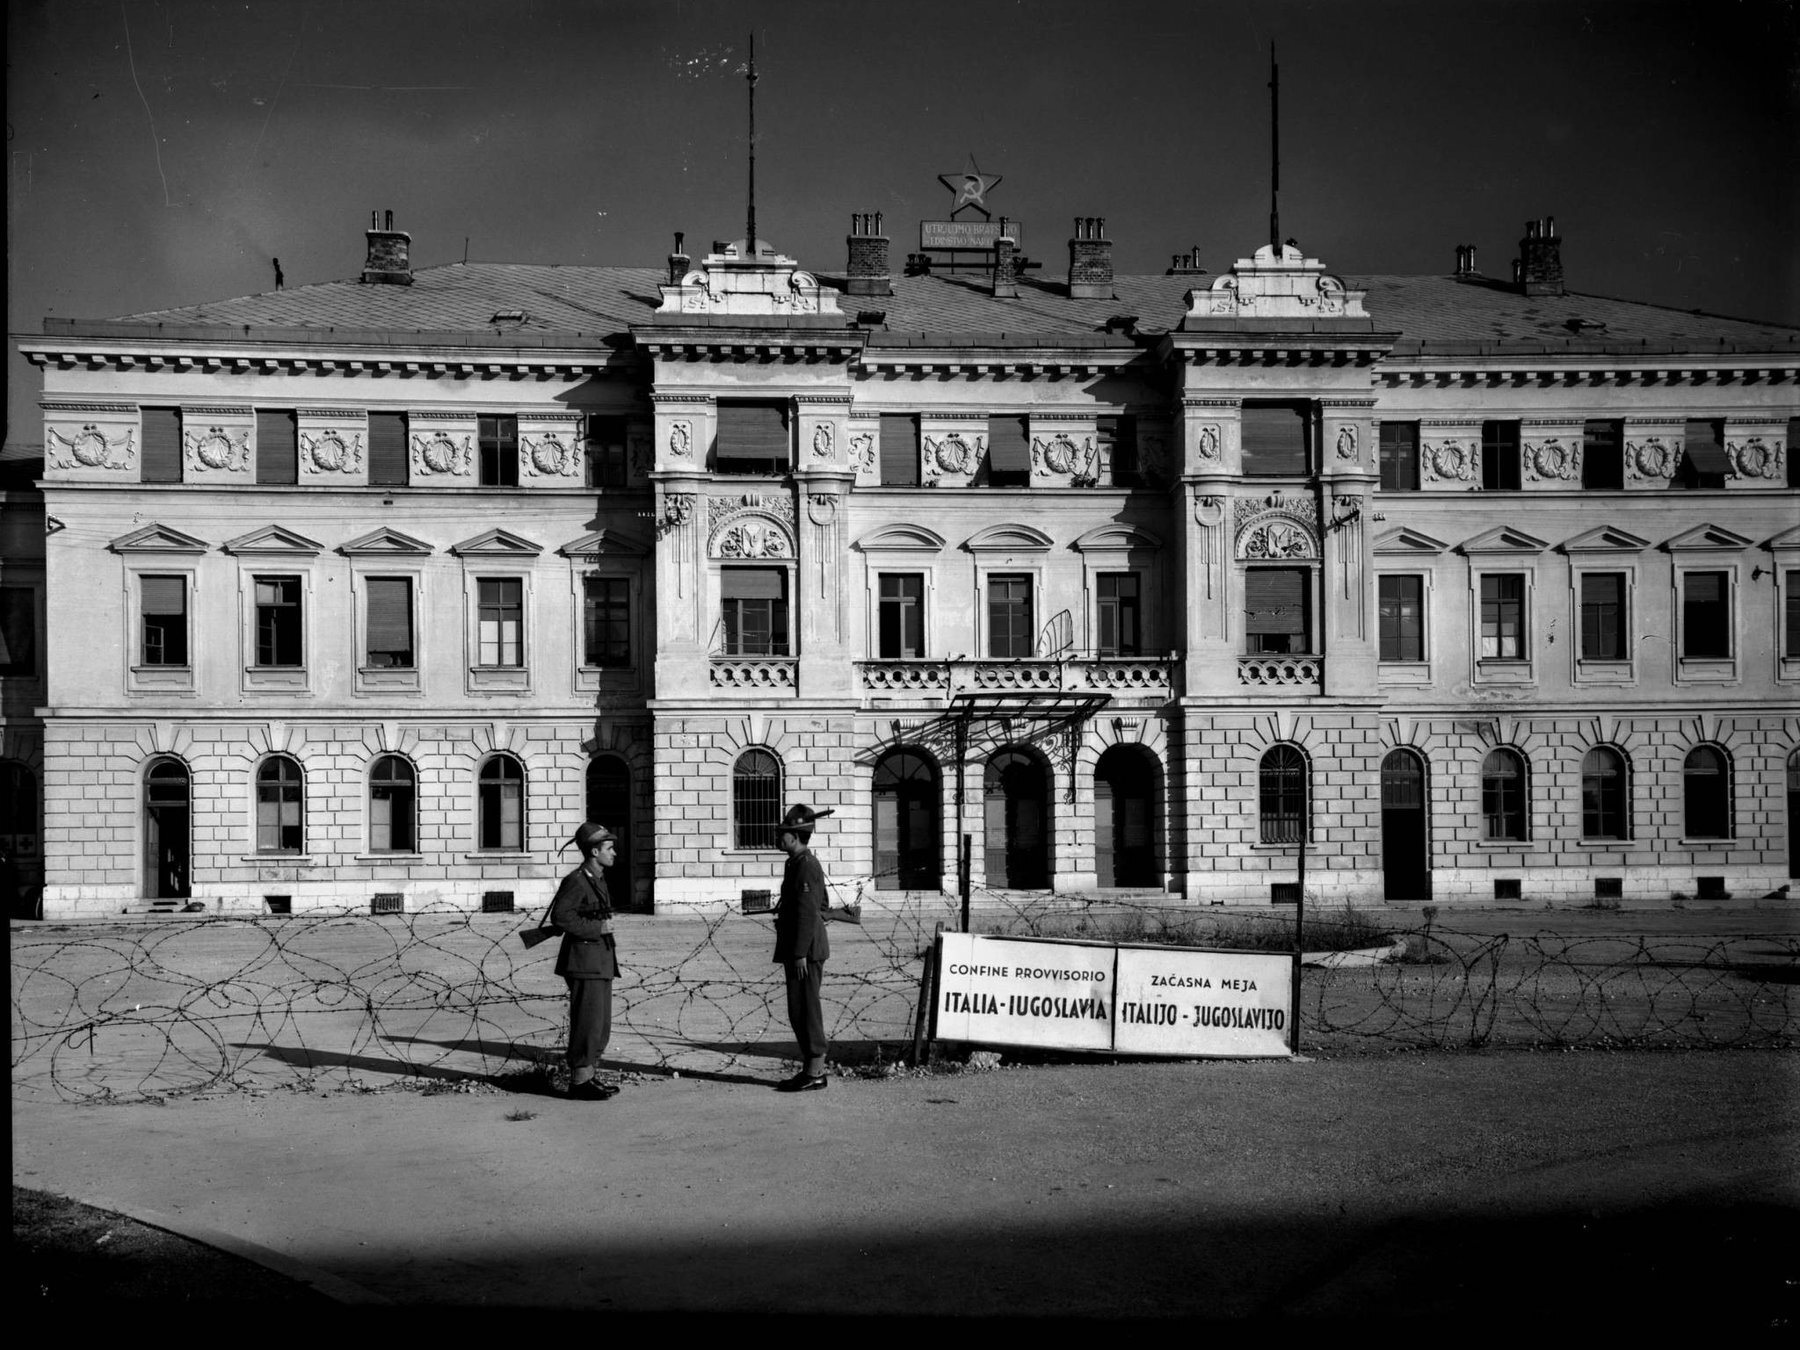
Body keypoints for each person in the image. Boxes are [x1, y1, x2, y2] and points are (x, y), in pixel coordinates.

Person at [552, 821, 622, 1101]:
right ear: (594, 851)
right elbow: (561, 917)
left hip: (600, 961)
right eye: (609, 847)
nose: (614, 852)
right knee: (587, 1024)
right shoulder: (578, 879)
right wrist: (598, 929)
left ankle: (589, 1076)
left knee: (599, 1024)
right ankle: (579, 1082)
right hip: (584, 962)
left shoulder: (598, 877)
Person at [772, 804, 834, 1092]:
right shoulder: (795, 863)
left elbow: (810, 912)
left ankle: (815, 1072)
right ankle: (811, 1070)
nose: (778, 835)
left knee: (806, 1009)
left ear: (795, 836)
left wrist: (799, 952)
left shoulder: (806, 865)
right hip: (801, 948)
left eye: (783, 831)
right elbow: (820, 905)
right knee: (798, 1009)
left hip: (805, 953)